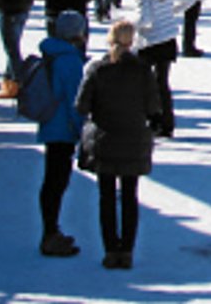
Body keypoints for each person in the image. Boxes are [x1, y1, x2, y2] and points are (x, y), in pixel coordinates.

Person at [74, 18, 160, 270]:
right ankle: (128, 250)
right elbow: (154, 106)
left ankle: (111, 249)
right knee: (130, 197)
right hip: (133, 137)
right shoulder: (143, 70)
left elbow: (81, 104)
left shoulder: (98, 69)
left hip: (105, 137)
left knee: (107, 197)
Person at [36, 11, 89, 257]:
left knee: (52, 181)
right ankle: (50, 233)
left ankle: (50, 229)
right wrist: (82, 132)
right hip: (63, 127)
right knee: (57, 181)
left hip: (49, 123)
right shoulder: (70, 60)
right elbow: (75, 101)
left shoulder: (51, 53)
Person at [130, 0, 194, 137]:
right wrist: (173, 11)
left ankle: (151, 118)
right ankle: (167, 122)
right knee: (162, 83)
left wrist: (130, 25)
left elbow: (145, 20)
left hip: (150, 41)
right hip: (168, 39)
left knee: (144, 83)